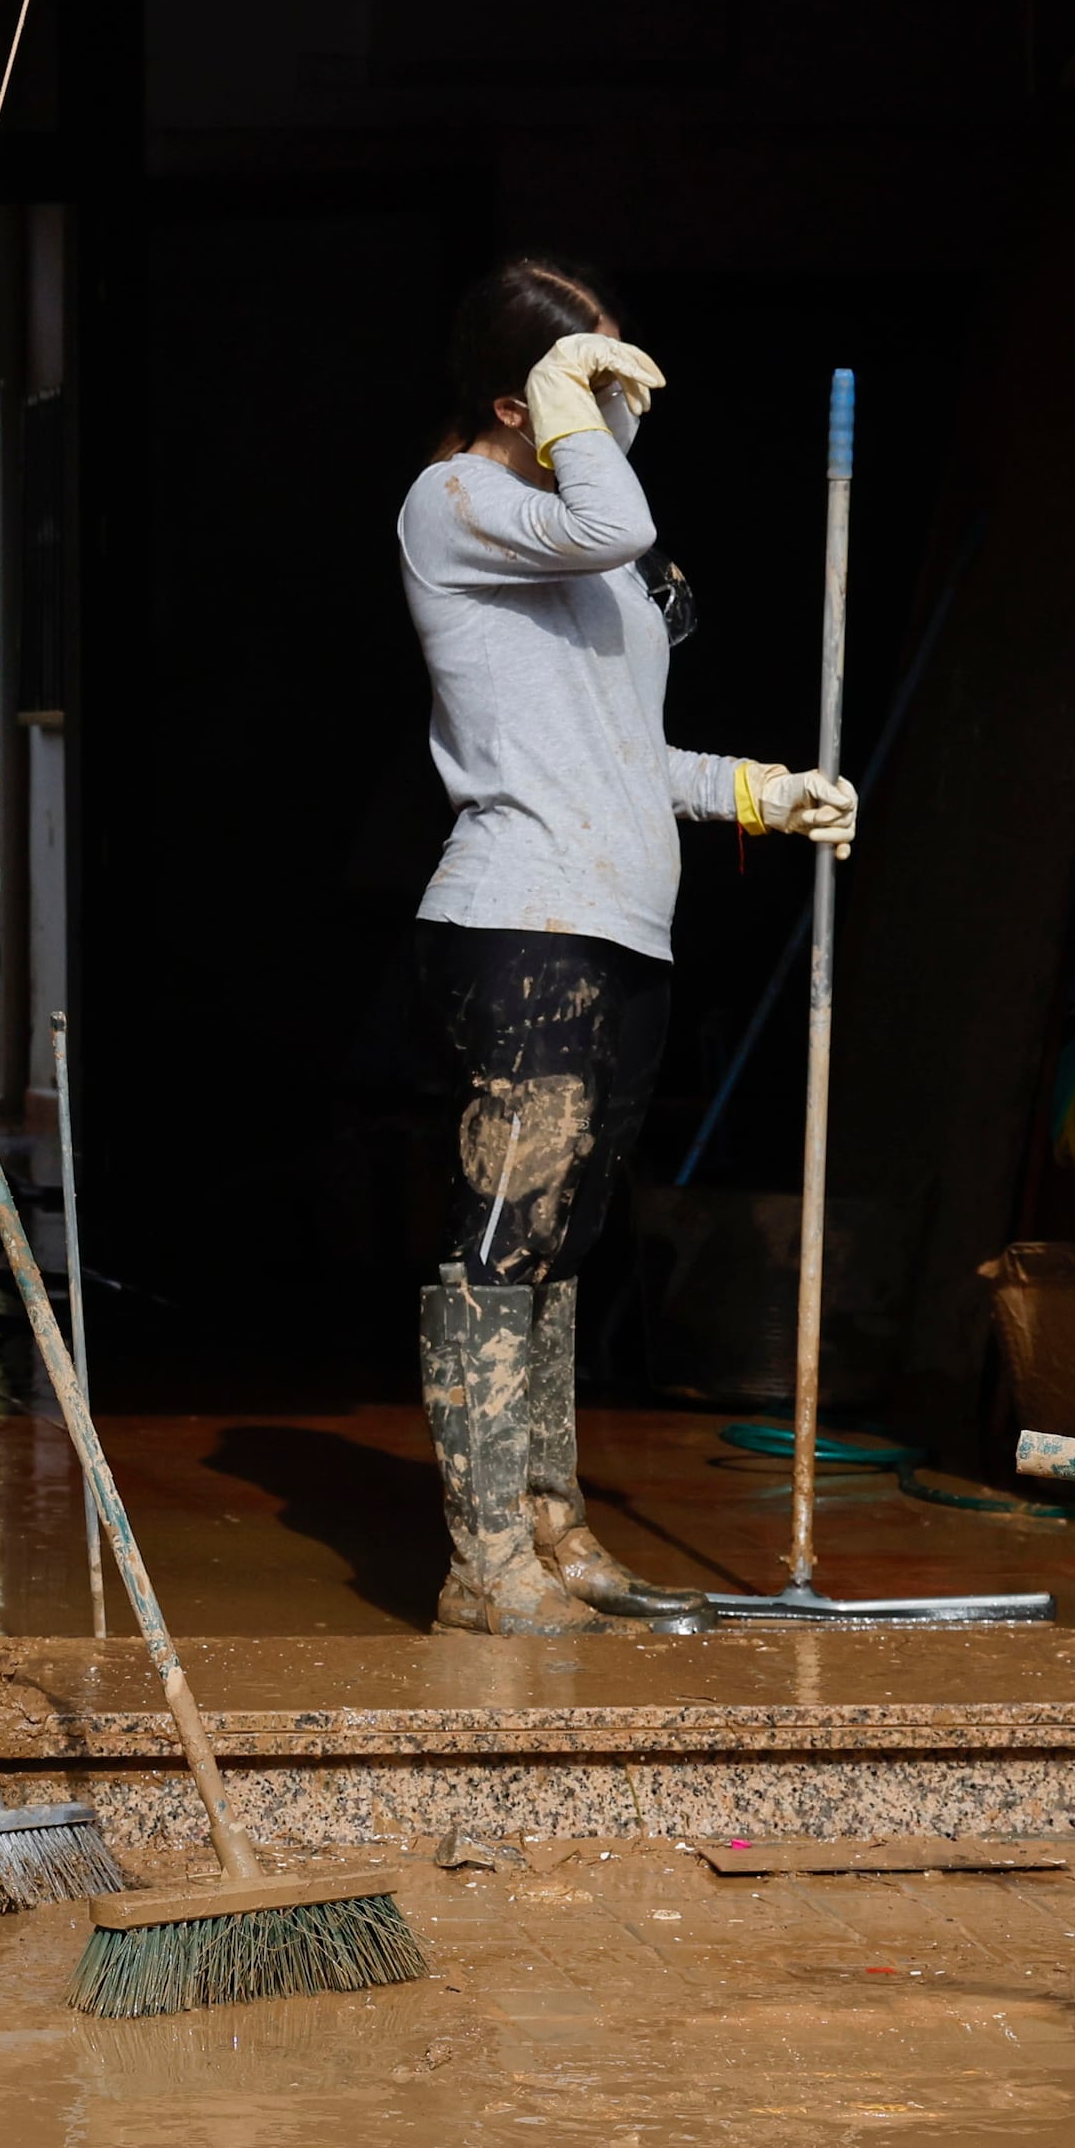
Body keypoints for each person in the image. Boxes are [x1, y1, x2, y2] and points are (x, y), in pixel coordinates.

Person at [397, 261, 857, 1635]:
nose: (618, 399)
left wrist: (758, 794)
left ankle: (552, 1525)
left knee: (564, 1241)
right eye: (587, 379)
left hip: (622, 924)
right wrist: (573, 420)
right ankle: (483, 1566)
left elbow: (619, 753)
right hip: (518, 922)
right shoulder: (458, 503)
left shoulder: (590, 559)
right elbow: (614, 516)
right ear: (512, 398)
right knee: (501, 1241)